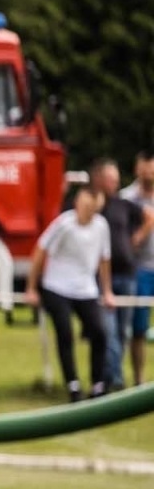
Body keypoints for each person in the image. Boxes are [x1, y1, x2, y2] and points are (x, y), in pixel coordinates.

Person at [26, 184, 114, 401]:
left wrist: (107, 291)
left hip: (86, 289)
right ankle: (73, 385)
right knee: (65, 333)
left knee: (100, 333)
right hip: (57, 287)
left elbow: (104, 259)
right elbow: (40, 251)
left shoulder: (102, 226)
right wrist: (31, 287)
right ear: (78, 203)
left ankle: (97, 385)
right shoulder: (64, 224)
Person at [92, 157, 154, 390]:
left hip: (129, 274)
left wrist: (135, 239)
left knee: (122, 331)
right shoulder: (116, 201)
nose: (114, 183)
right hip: (123, 274)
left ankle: (116, 379)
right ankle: (120, 380)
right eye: (110, 179)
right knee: (120, 331)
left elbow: (149, 218)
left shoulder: (123, 204)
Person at [122, 150, 154, 386]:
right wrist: (146, 227)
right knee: (139, 329)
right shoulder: (126, 200)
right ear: (137, 169)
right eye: (146, 167)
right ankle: (139, 381)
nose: (149, 172)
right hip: (140, 269)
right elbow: (124, 241)